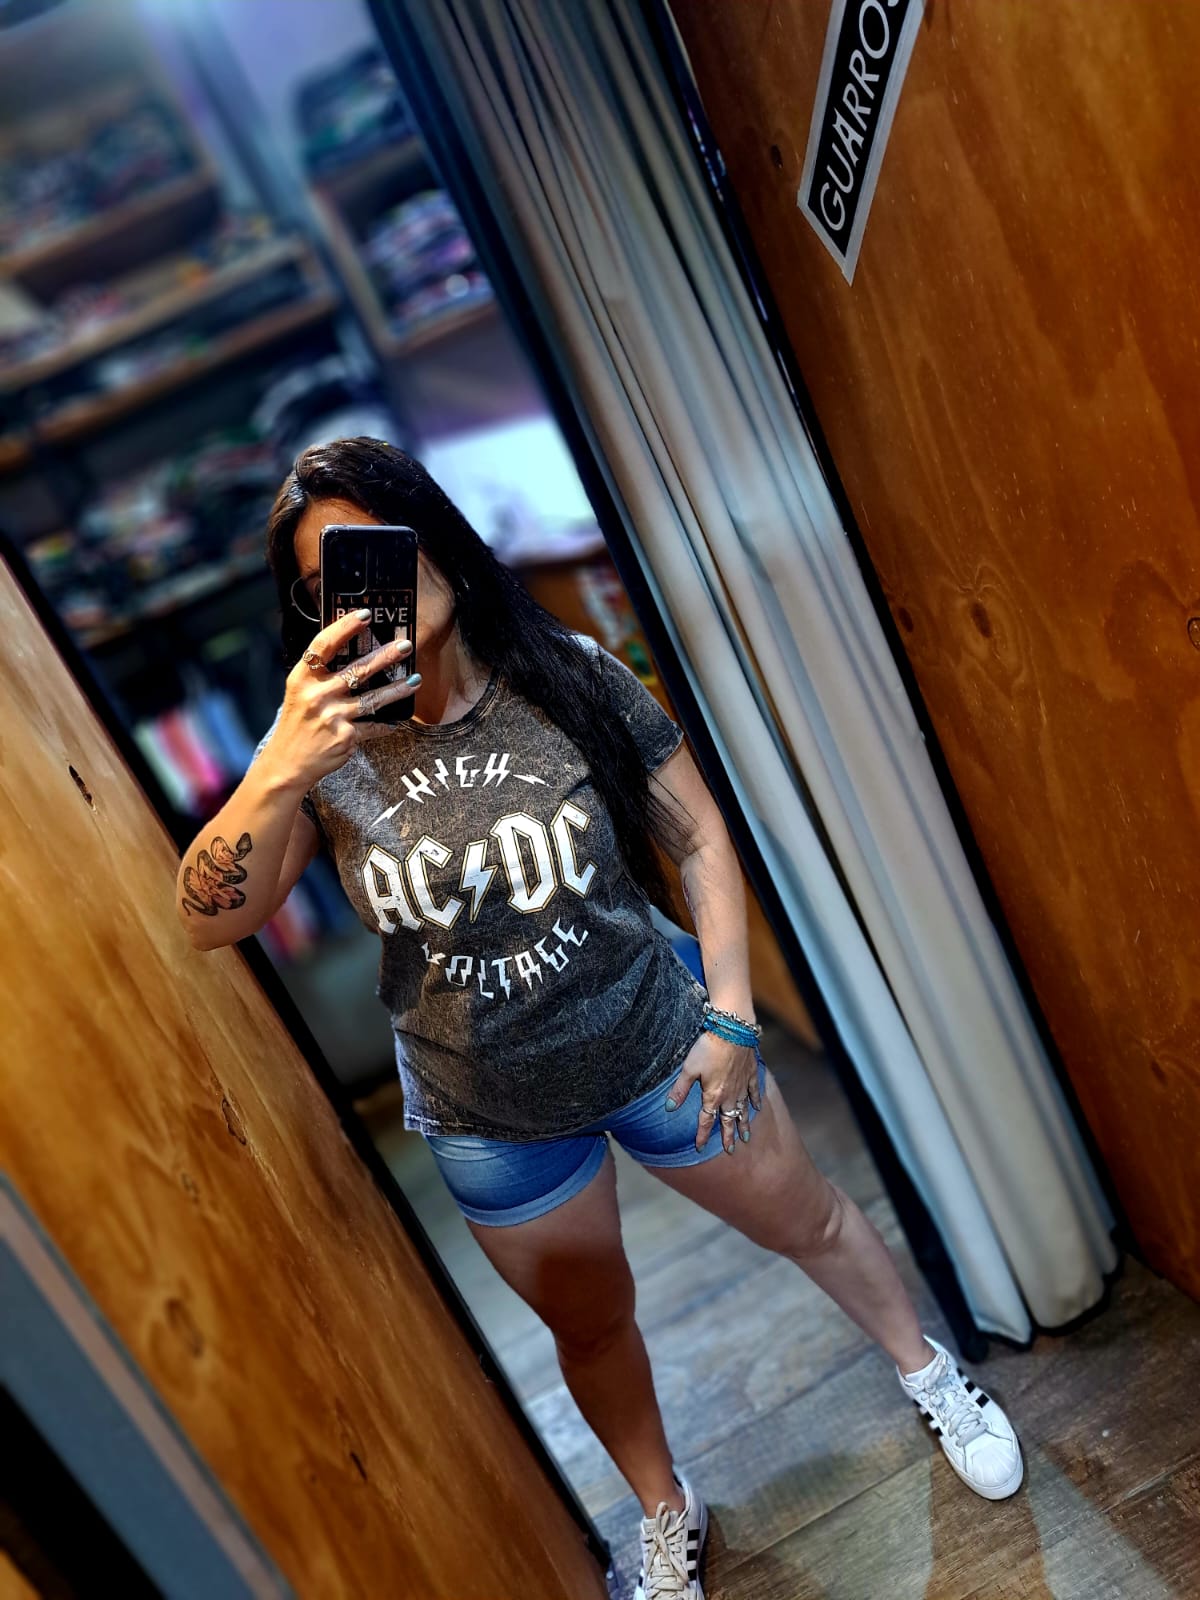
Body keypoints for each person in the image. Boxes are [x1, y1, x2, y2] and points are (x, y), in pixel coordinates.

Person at [176, 437, 1023, 1599]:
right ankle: (667, 1507)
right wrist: (279, 761)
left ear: (438, 539)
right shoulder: (321, 762)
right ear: (315, 611)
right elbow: (207, 919)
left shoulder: (563, 672)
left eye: (383, 542)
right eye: (334, 578)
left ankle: (929, 1374)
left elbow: (698, 834)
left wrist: (734, 1017)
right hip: (491, 1115)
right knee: (592, 1325)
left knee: (810, 1218)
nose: (372, 584)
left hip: (662, 1045)